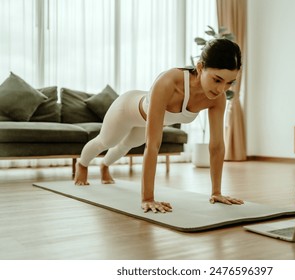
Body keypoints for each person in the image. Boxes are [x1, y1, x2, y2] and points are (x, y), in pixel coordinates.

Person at [74, 38, 244, 213]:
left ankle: (105, 166)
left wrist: (216, 192)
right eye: (217, 80)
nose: (221, 89)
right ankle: (82, 164)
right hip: (126, 109)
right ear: (200, 67)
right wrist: (148, 198)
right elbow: (153, 145)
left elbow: (216, 145)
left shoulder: (218, 98)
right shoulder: (169, 82)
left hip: (147, 120)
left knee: (126, 145)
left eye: (230, 82)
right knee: (106, 141)